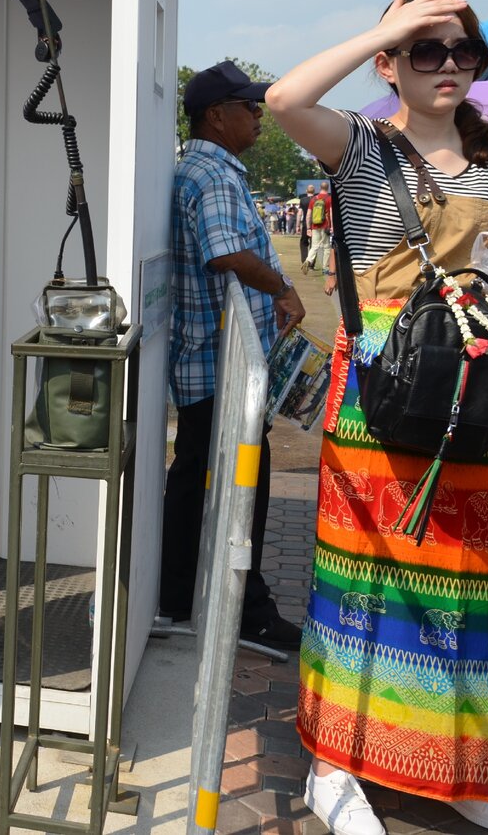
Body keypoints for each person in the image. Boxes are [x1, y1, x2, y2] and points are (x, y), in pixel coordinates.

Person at [267, 0, 488, 835]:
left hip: (475, 389)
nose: (451, 65)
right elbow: (283, 98)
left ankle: (457, 764)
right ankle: (334, 762)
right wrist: (387, 27)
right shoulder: (359, 148)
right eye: (428, 50)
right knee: (365, 577)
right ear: (389, 62)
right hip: (383, 388)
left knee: (467, 579)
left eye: (464, 50)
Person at [160, 59, 306, 654]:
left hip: (207, 359)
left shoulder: (205, 168)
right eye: (250, 108)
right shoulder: (215, 175)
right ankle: (246, 609)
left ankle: (178, 595)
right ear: (216, 117)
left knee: (195, 478)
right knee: (242, 484)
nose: (259, 117)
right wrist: (283, 287)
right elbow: (226, 253)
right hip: (217, 363)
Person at [301, 181, 332, 274]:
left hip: (314, 226)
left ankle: (308, 260)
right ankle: (325, 267)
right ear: (328, 188)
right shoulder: (329, 199)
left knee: (314, 246)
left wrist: (308, 228)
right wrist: (332, 226)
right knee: (326, 247)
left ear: (320, 188)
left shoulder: (314, 199)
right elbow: (331, 213)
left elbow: (308, 215)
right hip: (325, 225)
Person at [298, 183, 315, 263]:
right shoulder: (317, 199)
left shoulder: (303, 200)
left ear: (306, 191)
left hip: (305, 223)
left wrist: (297, 225)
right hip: (315, 224)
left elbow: (299, 213)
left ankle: (304, 260)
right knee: (313, 243)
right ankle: (311, 262)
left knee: (304, 242)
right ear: (314, 191)